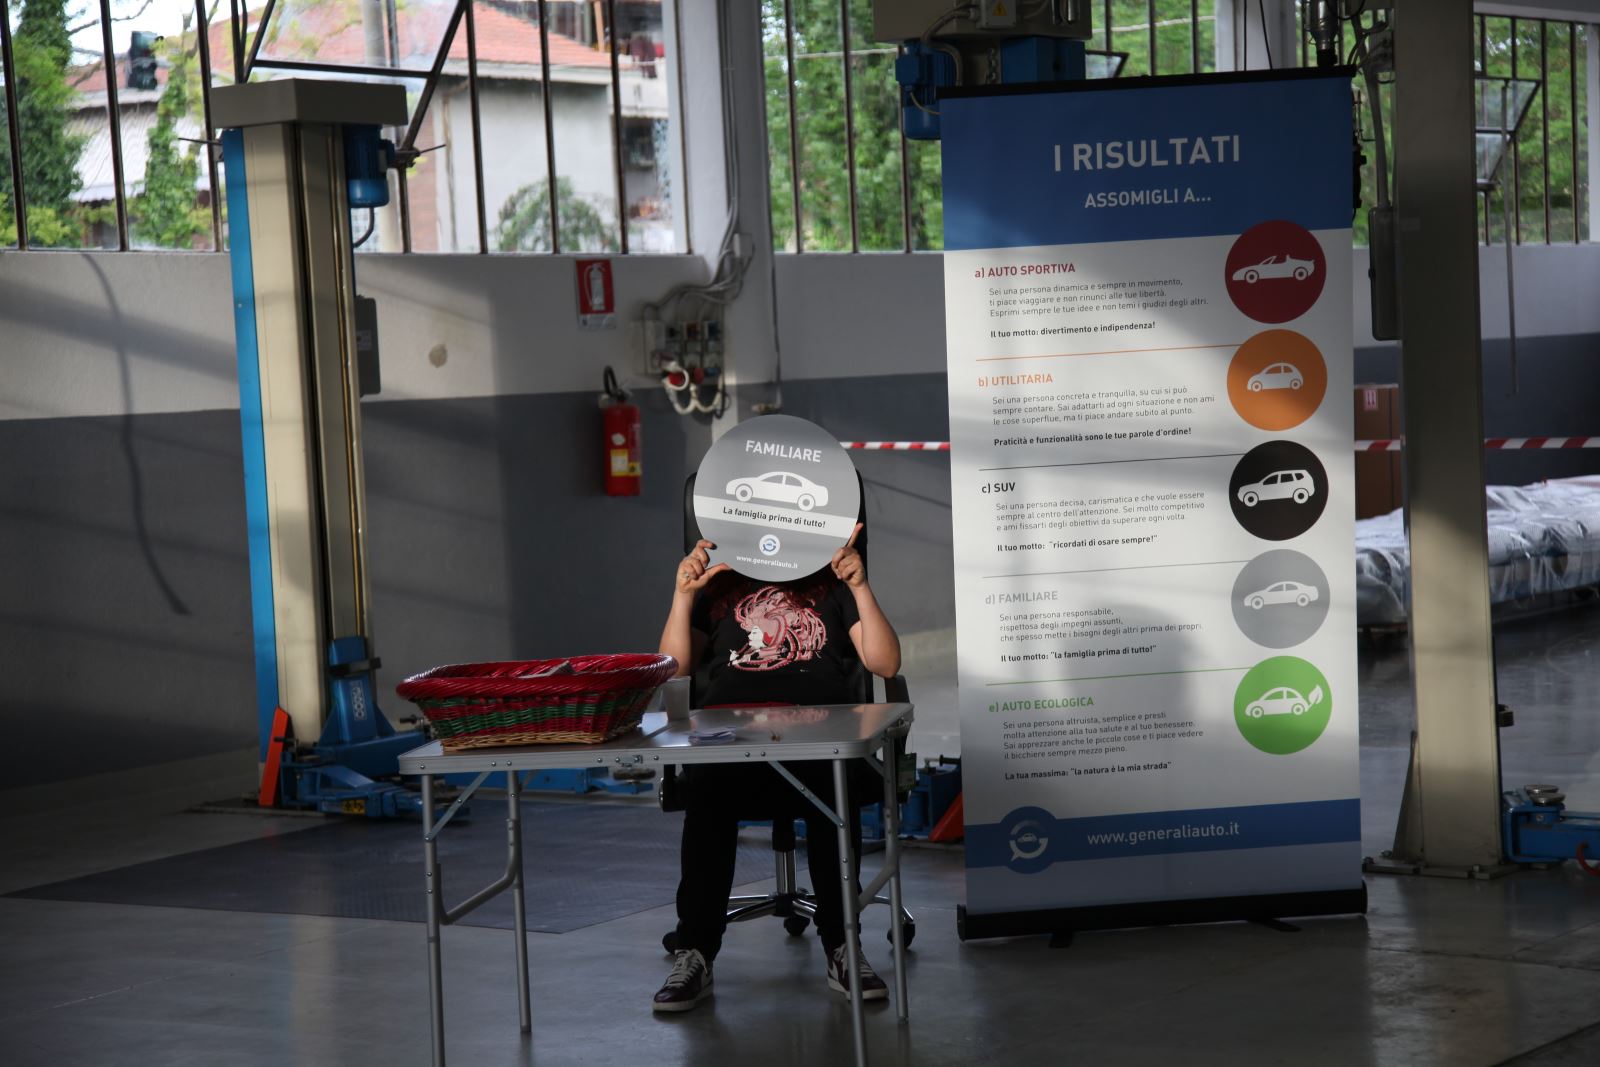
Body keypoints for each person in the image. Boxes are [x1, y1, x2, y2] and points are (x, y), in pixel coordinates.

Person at [652, 525, 901, 1013]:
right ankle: (695, 951)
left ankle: (842, 946)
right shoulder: (719, 583)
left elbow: (886, 664)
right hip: (731, 746)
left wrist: (859, 586)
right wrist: (683, 596)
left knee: (833, 791)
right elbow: (674, 669)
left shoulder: (831, 582)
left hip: (820, 743)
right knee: (708, 795)